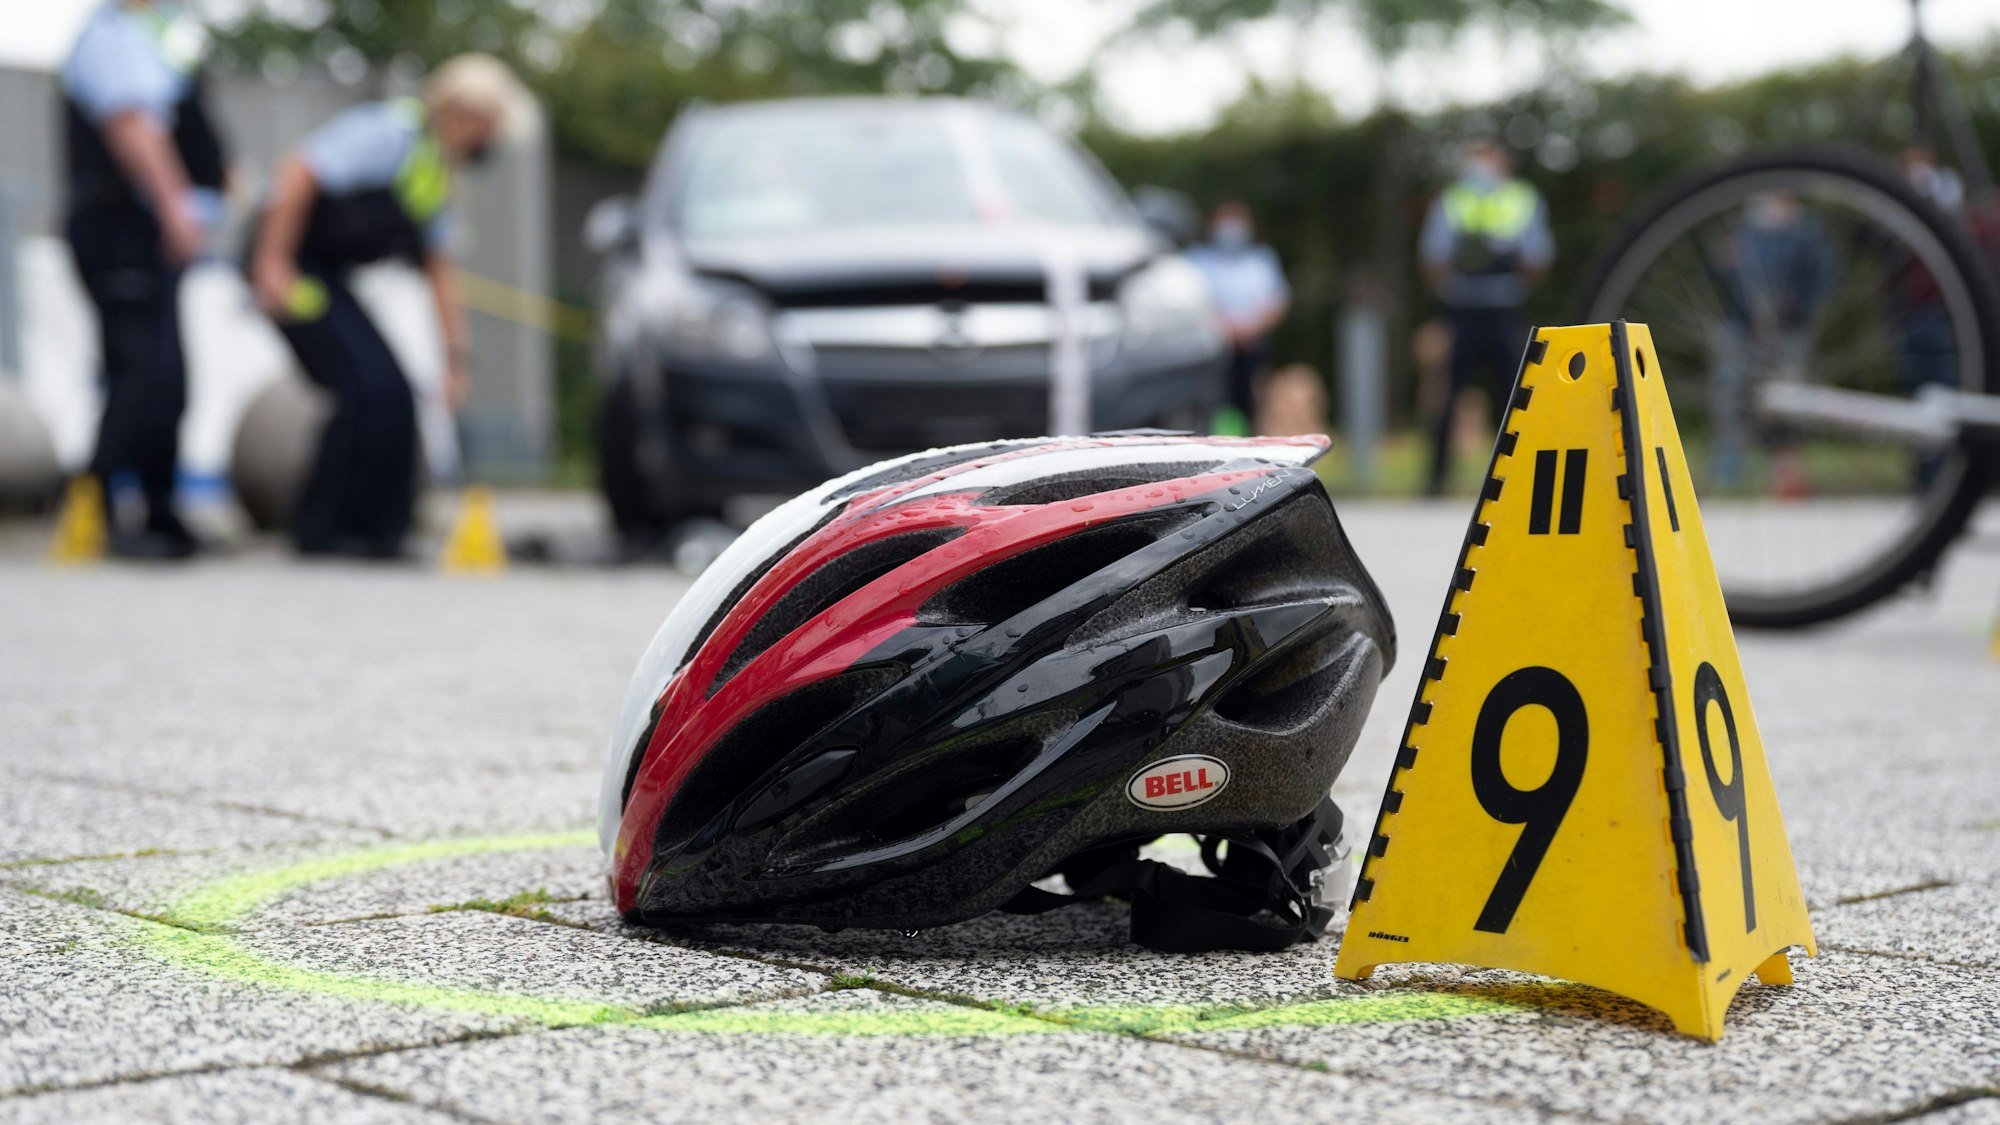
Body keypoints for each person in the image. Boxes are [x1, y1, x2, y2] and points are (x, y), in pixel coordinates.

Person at [246, 54, 535, 558]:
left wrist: (454, 361)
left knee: (393, 392)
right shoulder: (389, 132)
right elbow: (297, 174)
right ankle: (321, 531)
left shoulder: (436, 172)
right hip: (294, 268)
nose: (488, 145)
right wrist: (273, 262)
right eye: (487, 130)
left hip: (327, 277)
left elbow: (440, 270)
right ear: (463, 113)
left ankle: (382, 532)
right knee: (364, 386)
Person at [61, 0, 228, 558]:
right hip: (121, 226)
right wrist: (175, 203)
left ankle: (159, 513)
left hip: (145, 229)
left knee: (167, 379)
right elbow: (131, 124)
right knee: (139, 374)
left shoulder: (151, 35)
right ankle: (94, 513)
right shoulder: (112, 37)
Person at [1418, 139, 1553, 494]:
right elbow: (1432, 259)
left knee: (1518, 398)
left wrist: (1501, 261)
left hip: (1506, 310)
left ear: (1504, 163)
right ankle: (1436, 480)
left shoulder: (1522, 200)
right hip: (1461, 310)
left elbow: (1539, 260)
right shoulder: (1452, 200)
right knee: (1445, 396)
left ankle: (1524, 480)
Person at [1185, 201, 1290, 433]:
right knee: (1210, 408)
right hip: (1210, 351)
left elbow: (1277, 303)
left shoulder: (1262, 260)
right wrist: (1223, 328)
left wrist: (1249, 330)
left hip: (1252, 350)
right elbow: (1190, 303)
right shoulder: (1197, 259)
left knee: (1253, 407)